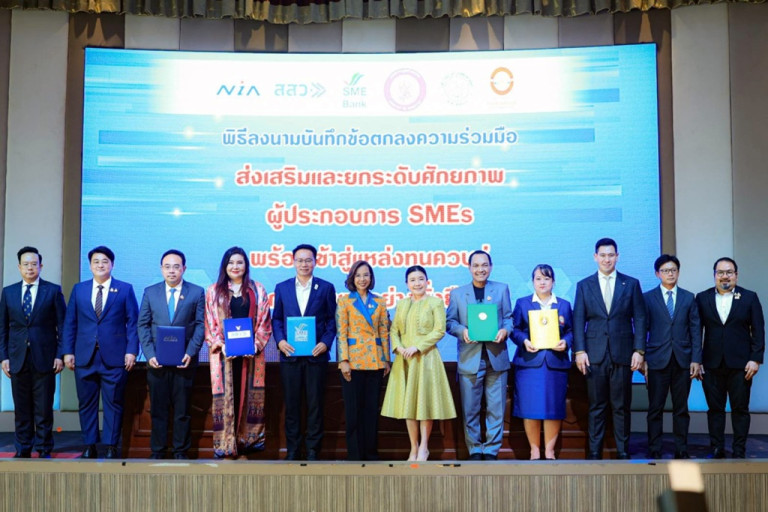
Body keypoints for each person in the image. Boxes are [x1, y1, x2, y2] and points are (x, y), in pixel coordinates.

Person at [62, 246, 139, 459]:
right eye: (96, 261)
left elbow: (133, 323)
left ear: (112, 264)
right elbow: (70, 322)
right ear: (90, 265)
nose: (100, 265)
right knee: (86, 403)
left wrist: (132, 351)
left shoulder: (124, 289)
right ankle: (89, 444)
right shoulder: (79, 289)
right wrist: (67, 351)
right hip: (84, 356)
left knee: (113, 402)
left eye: (105, 261)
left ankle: (111, 445)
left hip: (115, 357)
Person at [573, 238, 646, 460]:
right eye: (603, 255)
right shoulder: (584, 285)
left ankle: (622, 451)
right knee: (596, 406)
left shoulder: (630, 284)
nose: (607, 259)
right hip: (594, 355)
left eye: (611, 255)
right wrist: (579, 351)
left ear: (617, 256)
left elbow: (640, 319)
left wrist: (639, 351)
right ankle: (594, 452)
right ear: (595, 257)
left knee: (621, 406)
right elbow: (578, 320)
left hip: (623, 354)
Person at [381, 265, 456, 461]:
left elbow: (439, 330)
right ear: (407, 284)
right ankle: (413, 448)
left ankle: (424, 447)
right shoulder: (402, 304)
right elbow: (394, 330)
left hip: (426, 359)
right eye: (412, 280)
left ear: (427, 281)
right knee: (408, 406)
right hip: (404, 360)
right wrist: (398, 348)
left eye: (421, 279)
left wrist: (418, 347)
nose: (417, 283)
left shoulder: (435, 302)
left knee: (424, 404)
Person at [204, 246, 272, 459]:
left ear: (246, 265)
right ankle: (226, 446)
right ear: (225, 266)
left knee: (248, 397)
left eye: (240, 262)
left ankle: (247, 446)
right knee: (227, 399)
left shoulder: (257, 289)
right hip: (223, 356)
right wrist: (222, 345)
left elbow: (264, 321)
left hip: (252, 356)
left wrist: (255, 345)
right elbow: (210, 323)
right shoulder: (213, 291)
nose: (235, 266)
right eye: (231, 262)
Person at [137, 249, 206, 459]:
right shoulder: (150, 292)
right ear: (161, 269)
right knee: (158, 410)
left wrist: (191, 352)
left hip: (184, 362)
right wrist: (149, 354)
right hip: (156, 362)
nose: (172, 271)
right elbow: (143, 325)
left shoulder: (196, 292)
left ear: (184, 268)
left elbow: (201, 325)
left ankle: (180, 451)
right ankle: (158, 451)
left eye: (176, 267)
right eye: (167, 267)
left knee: (182, 411)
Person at [272, 244, 337, 461]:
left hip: (316, 356)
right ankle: (293, 450)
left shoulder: (326, 288)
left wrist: (325, 343)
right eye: (300, 260)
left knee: (315, 405)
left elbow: (332, 321)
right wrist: (280, 341)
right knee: (292, 405)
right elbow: (277, 319)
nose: (304, 264)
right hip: (290, 356)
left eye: (308, 260)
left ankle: (312, 451)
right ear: (293, 262)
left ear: (315, 262)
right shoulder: (282, 288)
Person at [0, 247, 66, 458]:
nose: (30, 268)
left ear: (41, 266)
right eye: (26, 264)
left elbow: (62, 326)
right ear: (19, 267)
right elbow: (2, 328)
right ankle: (23, 448)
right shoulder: (8, 292)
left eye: (34, 264)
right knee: (21, 409)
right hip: (17, 358)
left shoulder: (52, 291)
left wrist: (60, 355)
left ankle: (44, 448)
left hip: (45, 357)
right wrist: (3, 357)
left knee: (43, 407)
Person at [446, 250, 512, 461]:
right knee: (470, 409)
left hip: (496, 357)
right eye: (476, 265)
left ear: (490, 267)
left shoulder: (501, 289)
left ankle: (491, 450)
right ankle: (474, 449)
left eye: (484, 265)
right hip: (470, 358)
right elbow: (450, 322)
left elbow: (509, 318)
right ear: (469, 268)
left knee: (496, 408)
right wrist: (462, 331)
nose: (480, 269)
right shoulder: (458, 294)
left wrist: (505, 330)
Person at [696, 257, 764, 459]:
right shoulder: (702, 298)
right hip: (711, 364)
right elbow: (696, 331)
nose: (725, 276)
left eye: (729, 272)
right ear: (714, 275)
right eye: (720, 272)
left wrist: (755, 359)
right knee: (714, 409)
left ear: (736, 275)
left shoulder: (749, 297)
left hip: (741, 365)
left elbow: (758, 331)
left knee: (740, 409)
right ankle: (717, 448)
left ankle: (739, 449)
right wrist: (696, 360)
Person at [511, 264, 573, 461]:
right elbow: (514, 329)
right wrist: (524, 341)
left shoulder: (563, 305)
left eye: (547, 278)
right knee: (530, 407)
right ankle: (534, 450)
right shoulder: (523, 303)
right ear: (533, 282)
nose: (542, 282)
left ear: (553, 281)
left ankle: (550, 451)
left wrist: (566, 342)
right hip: (529, 364)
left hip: (555, 364)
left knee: (553, 408)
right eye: (538, 279)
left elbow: (572, 331)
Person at [643, 254, 702, 460]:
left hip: (682, 360)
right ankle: (654, 448)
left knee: (681, 408)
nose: (670, 274)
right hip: (656, 360)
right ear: (657, 274)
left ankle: (681, 448)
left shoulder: (688, 297)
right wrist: (642, 357)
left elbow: (695, 330)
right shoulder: (648, 298)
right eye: (665, 270)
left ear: (678, 272)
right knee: (655, 408)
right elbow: (642, 329)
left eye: (673, 270)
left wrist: (696, 359)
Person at [335, 260, 391, 461]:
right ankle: (355, 454)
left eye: (366, 275)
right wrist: (343, 360)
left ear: (371, 277)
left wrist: (386, 359)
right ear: (352, 278)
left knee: (371, 410)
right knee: (353, 411)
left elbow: (384, 332)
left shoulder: (380, 302)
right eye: (358, 275)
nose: (362, 279)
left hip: (375, 362)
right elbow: (341, 333)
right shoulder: (344, 302)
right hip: (353, 362)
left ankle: (371, 453)